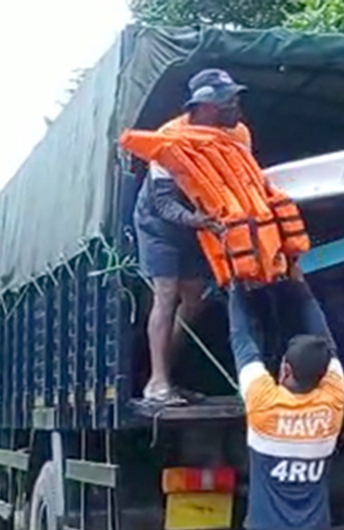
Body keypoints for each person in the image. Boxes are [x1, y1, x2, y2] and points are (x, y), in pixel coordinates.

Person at [223, 277, 344, 530]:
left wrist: (234, 286)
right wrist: (302, 288)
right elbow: (327, 342)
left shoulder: (264, 403)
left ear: (285, 371)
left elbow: (241, 339)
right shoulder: (333, 400)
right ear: (323, 376)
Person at [134, 68, 251, 405]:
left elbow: (243, 182)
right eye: (230, 102)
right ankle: (157, 383)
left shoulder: (239, 134)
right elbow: (164, 202)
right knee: (167, 293)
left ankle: (163, 373)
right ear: (206, 107)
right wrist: (198, 220)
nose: (237, 107)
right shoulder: (168, 138)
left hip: (205, 220)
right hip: (162, 225)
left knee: (195, 299)